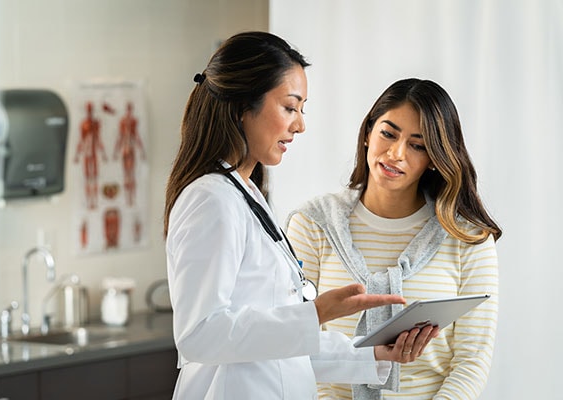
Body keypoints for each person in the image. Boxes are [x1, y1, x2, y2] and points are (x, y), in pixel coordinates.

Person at [164, 33, 437, 400]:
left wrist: (373, 354)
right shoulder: (211, 199)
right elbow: (199, 335)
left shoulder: (246, 195)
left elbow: (277, 345)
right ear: (243, 104)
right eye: (290, 107)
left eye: (301, 110)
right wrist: (316, 314)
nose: (299, 125)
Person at [286, 78, 502, 400]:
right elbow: (294, 345)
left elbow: (472, 359)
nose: (396, 153)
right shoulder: (312, 224)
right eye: (388, 133)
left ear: (434, 159)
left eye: (418, 145)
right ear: (368, 133)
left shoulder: (467, 236)